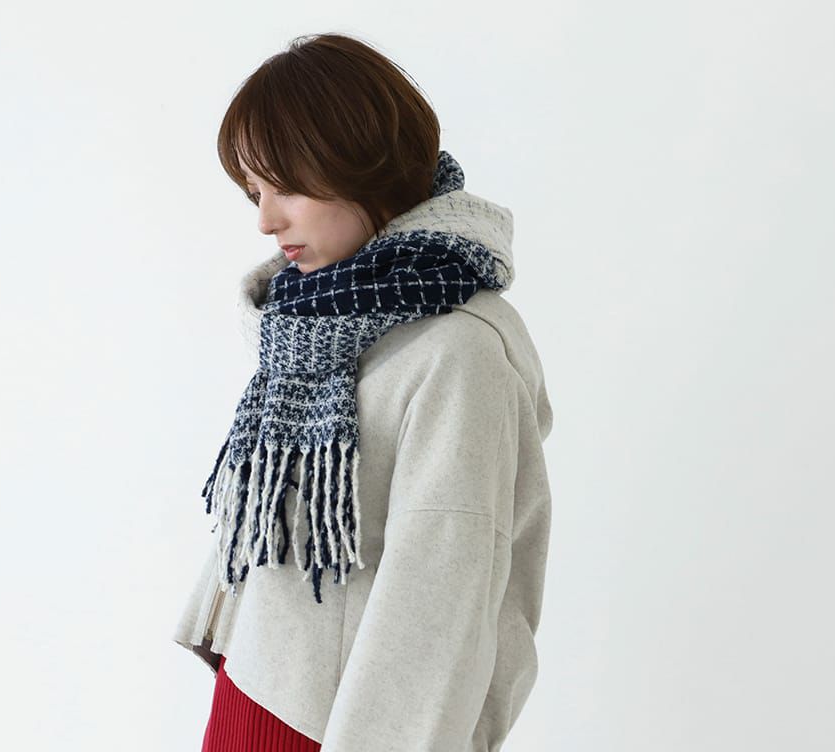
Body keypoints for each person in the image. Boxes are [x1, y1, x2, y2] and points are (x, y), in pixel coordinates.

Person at [172, 32, 554, 752]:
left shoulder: (460, 353)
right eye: (254, 193)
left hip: (332, 729)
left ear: (358, 162)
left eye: (285, 186)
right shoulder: (319, 321)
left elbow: (439, 611)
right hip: (254, 696)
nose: (265, 220)